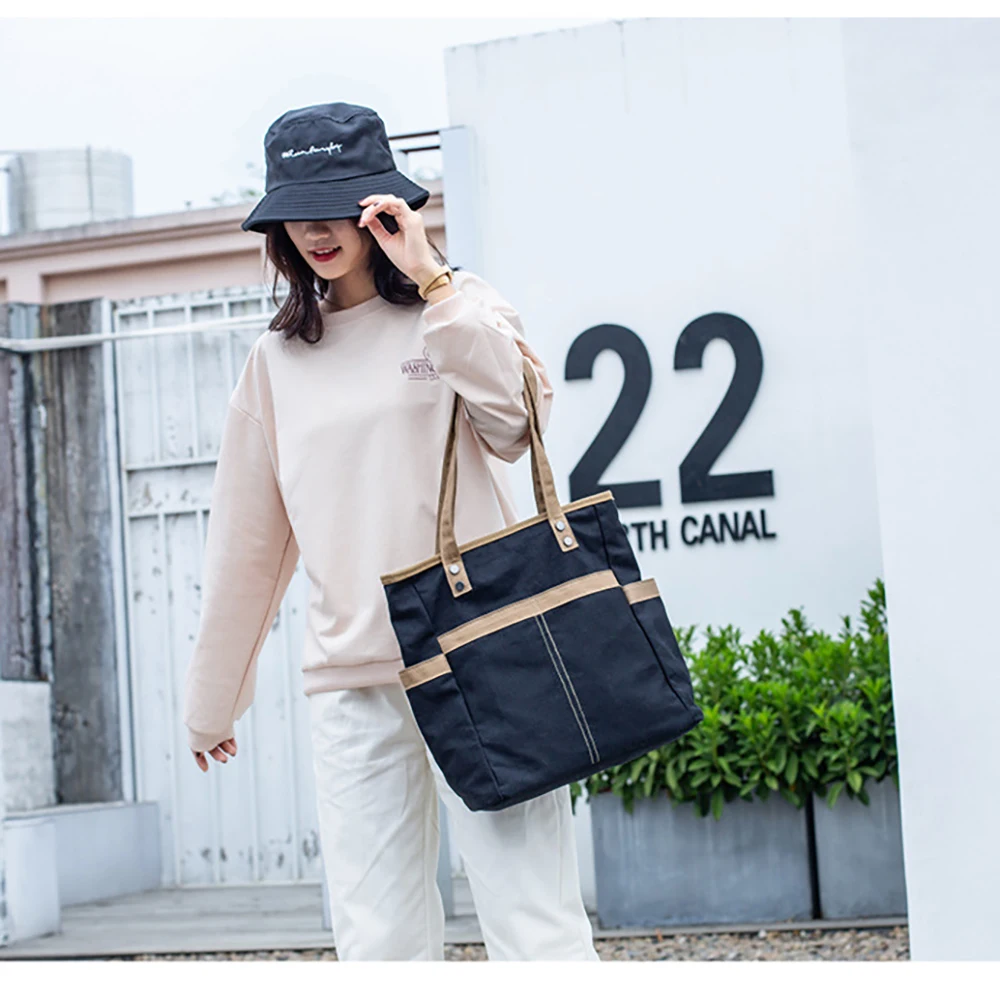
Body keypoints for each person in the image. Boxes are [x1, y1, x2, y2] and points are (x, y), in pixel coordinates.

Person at [181, 101, 600, 962]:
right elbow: (249, 546)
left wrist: (435, 280)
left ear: (384, 208)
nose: (317, 230)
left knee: (535, 923)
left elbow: (516, 426)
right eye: (298, 213)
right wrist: (212, 700)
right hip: (354, 680)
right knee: (377, 942)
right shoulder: (275, 363)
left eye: (340, 207)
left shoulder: (458, 307)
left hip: (486, 652)